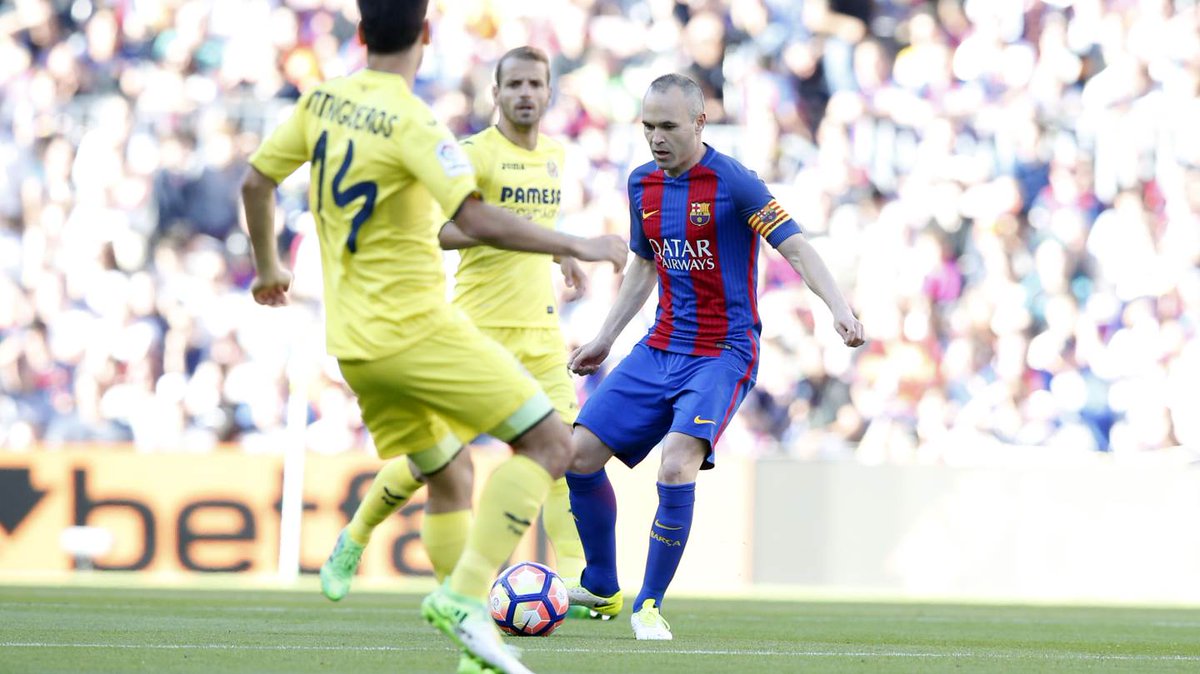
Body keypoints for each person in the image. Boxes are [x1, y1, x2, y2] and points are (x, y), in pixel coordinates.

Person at [239, 2, 627, 672]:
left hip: (355, 343)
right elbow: (470, 221)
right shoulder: (420, 125)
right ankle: (457, 591)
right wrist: (578, 242)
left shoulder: (320, 102)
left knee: (451, 474)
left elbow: (255, 182)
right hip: (426, 330)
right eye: (515, 83)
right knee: (548, 445)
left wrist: (269, 267)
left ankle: (476, 638)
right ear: (425, 35)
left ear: (360, 33)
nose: (526, 93)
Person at [564, 74, 865, 641]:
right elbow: (645, 265)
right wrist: (605, 337)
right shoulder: (641, 184)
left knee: (676, 462)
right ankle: (601, 585)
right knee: (577, 454)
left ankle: (649, 604)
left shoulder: (733, 182)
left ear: (700, 123)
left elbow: (797, 248)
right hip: (660, 345)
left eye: (668, 126)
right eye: (648, 126)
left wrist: (838, 308)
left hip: (723, 351)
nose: (656, 138)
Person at [318, 45, 592, 619]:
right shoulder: (472, 154)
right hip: (478, 332)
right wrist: (502, 230)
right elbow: (438, 230)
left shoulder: (556, 156)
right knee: (434, 460)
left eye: (535, 84)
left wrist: (559, 252)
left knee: (562, 453)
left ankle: (574, 581)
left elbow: (534, 226)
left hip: (541, 333)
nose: (525, 93)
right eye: (514, 84)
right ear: (496, 93)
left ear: (549, 92)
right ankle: (356, 535)